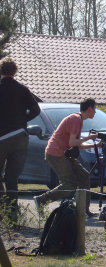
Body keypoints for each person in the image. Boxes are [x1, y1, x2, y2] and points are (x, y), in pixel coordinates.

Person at [33, 98, 100, 217]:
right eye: (94, 108)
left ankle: (84, 210)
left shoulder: (78, 120)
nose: (95, 111)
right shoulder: (75, 119)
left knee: (84, 176)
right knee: (69, 184)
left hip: (63, 154)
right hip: (55, 154)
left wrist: (97, 144)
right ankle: (41, 200)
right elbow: (73, 142)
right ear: (89, 108)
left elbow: (78, 145)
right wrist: (89, 138)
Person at [0, 58, 40, 220]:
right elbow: (36, 110)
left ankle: (3, 210)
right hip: (20, 136)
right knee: (12, 177)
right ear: (15, 72)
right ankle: (13, 214)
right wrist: (22, 121)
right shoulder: (23, 89)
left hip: (2, 137)